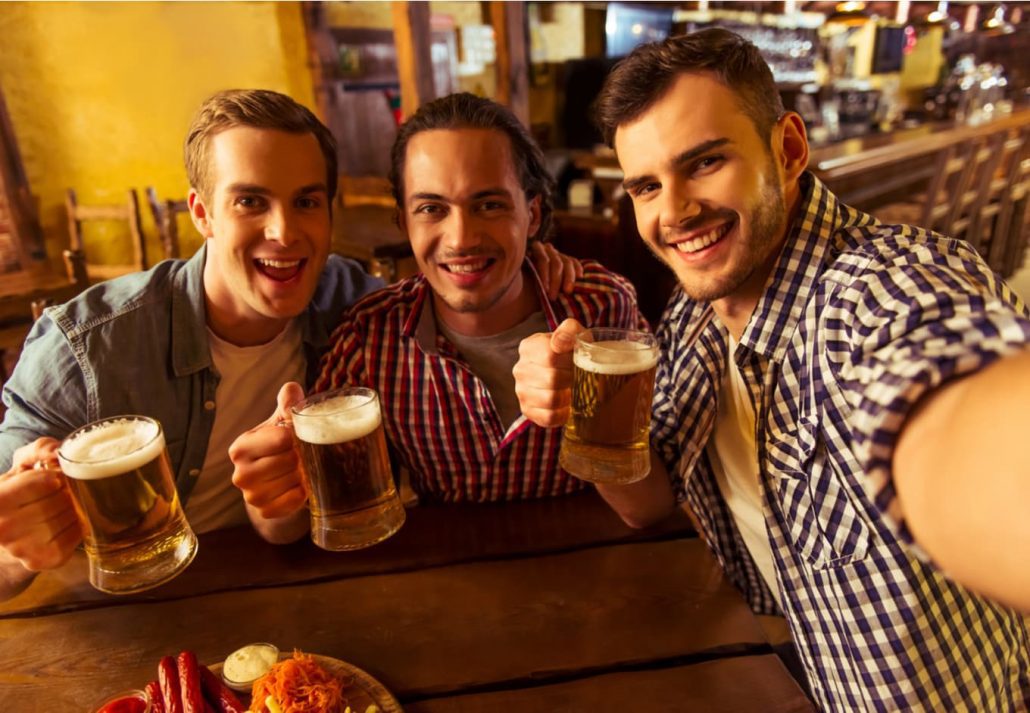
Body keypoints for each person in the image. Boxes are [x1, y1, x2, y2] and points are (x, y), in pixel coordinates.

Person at [513, 29, 1030, 711]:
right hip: (791, 671)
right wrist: (582, 412)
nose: (674, 212)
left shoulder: (879, 294)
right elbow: (649, 502)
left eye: (704, 163)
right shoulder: (692, 320)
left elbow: (945, 398)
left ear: (787, 149)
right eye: (645, 186)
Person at [0, 88, 581, 599]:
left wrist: (530, 258)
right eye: (250, 201)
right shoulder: (86, 346)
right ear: (202, 213)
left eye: (306, 201)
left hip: (285, 588)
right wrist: (16, 547)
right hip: (110, 617)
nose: (284, 232)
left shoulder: (352, 303)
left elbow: (454, 276)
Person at [230, 93, 646, 506]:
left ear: (532, 214)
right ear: (403, 223)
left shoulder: (604, 309)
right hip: (444, 566)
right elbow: (314, 495)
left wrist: (595, 411)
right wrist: (274, 494)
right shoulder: (368, 336)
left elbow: (650, 505)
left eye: (489, 204)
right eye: (431, 208)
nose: (462, 238)